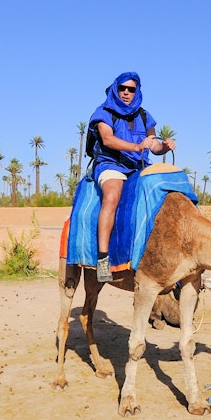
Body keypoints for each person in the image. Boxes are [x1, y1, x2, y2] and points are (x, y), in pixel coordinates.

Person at [86, 72, 175, 281]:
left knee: (167, 197)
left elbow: (152, 145)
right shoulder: (104, 112)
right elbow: (107, 140)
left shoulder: (144, 116)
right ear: (116, 89)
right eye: (123, 88)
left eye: (131, 89)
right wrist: (137, 146)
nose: (126, 92)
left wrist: (164, 146)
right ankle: (103, 259)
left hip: (138, 167)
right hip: (112, 164)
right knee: (112, 196)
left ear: (137, 91)